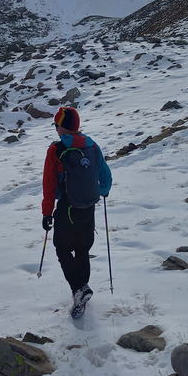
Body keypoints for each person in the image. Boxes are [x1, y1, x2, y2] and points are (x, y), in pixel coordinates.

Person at [42, 106, 112, 318]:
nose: (56, 129)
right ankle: (82, 289)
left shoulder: (56, 150)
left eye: (57, 125)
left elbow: (49, 185)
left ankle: (79, 289)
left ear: (63, 127)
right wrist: (101, 192)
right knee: (82, 249)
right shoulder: (92, 145)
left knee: (62, 248)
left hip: (66, 208)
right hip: (88, 207)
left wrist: (47, 213)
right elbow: (106, 176)